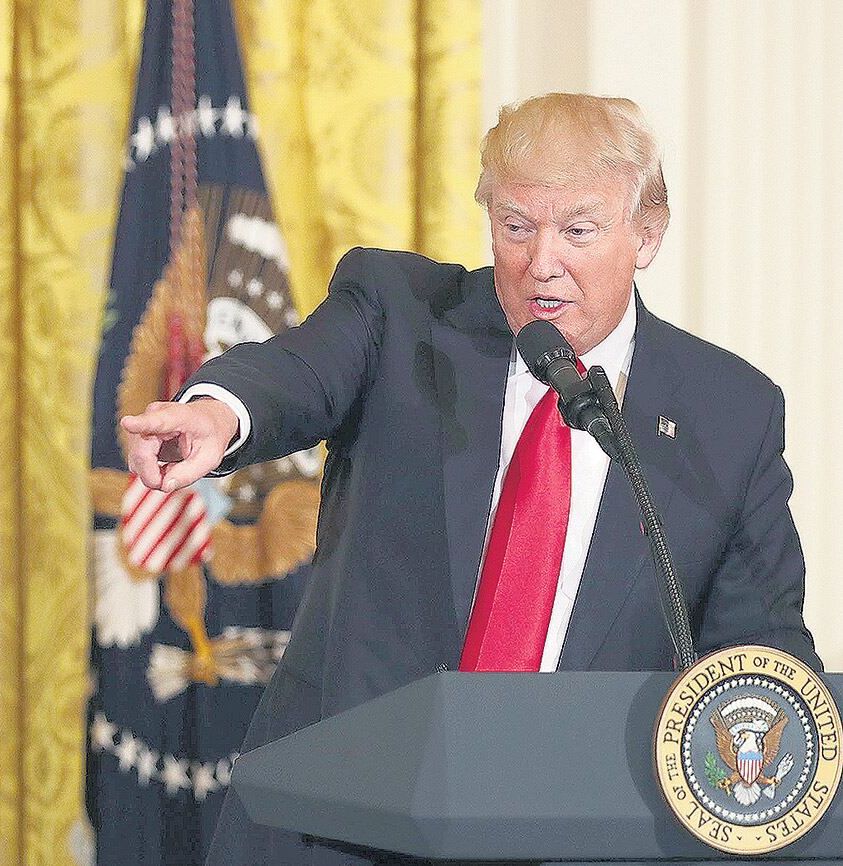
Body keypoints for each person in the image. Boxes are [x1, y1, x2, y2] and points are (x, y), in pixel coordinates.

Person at [120, 93, 820, 864]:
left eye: (577, 231)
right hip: (338, 826)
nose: (540, 262)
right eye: (516, 226)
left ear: (646, 235)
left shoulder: (727, 413)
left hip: (577, 838)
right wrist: (219, 413)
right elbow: (295, 373)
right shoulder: (399, 313)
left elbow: (761, 659)